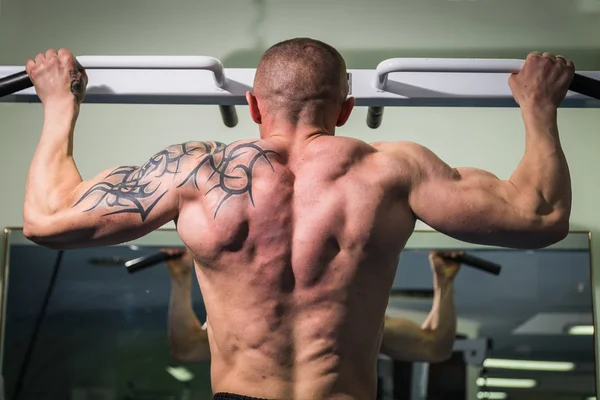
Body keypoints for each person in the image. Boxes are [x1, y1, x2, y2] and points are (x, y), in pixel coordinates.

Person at [22, 39, 572, 399]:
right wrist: (539, 107)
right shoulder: (390, 172)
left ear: (254, 105)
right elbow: (539, 214)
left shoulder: (198, 171)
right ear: (345, 110)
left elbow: (47, 218)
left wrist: (59, 106)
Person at [163, 249, 461, 364]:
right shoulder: (246, 322)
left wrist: (444, 281)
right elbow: (187, 347)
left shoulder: (351, 323)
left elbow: (434, 346)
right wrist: (179, 279)